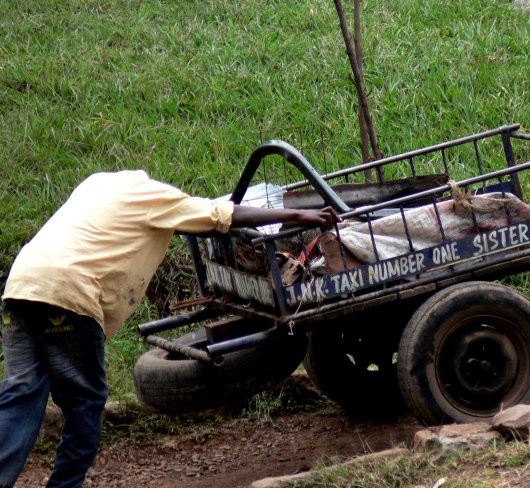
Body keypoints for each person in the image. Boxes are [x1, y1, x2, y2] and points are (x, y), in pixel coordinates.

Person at [0, 169, 338, 488]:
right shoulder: (151, 196)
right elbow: (222, 217)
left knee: (21, 393)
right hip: (70, 294)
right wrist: (297, 217)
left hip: (21, 287)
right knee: (86, 403)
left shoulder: (95, 186)